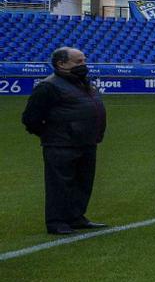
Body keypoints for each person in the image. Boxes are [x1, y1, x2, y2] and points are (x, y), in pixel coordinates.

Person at [21, 46, 106, 235]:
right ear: (61, 64)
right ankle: (57, 221)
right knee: (59, 184)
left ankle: (76, 217)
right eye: (78, 62)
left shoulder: (83, 83)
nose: (84, 65)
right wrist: (53, 134)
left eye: (83, 61)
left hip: (87, 142)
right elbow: (30, 118)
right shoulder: (49, 86)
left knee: (83, 183)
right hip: (61, 144)